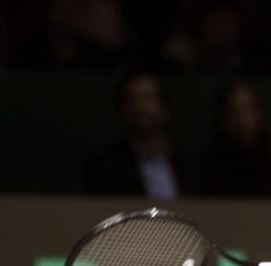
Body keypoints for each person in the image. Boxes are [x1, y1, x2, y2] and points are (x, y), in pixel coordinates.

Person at [83, 71, 199, 199]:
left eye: (148, 98)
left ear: (165, 108)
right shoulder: (105, 166)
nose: (140, 107)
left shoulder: (191, 164)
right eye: (132, 100)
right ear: (121, 110)